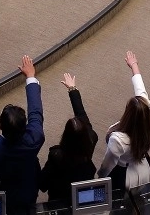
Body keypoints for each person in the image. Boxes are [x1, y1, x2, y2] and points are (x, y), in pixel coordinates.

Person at [0, 56, 45, 215]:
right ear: (25, 126)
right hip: (28, 189)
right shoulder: (35, 138)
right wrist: (31, 77)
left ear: (0, 126)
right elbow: (36, 112)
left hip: (4, 196)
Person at [97, 51, 150, 190]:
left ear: (128, 114)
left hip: (124, 173)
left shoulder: (118, 139)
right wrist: (134, 66)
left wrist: (101, 178)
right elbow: (141, 91)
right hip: (143, 165)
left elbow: (108, 164)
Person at [39, 73, 99, 204]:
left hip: (58, 197)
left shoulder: (56, 155)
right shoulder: (91, 138)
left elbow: (42, 183)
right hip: (81, 195)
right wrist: (72, 89)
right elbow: (81, 113)